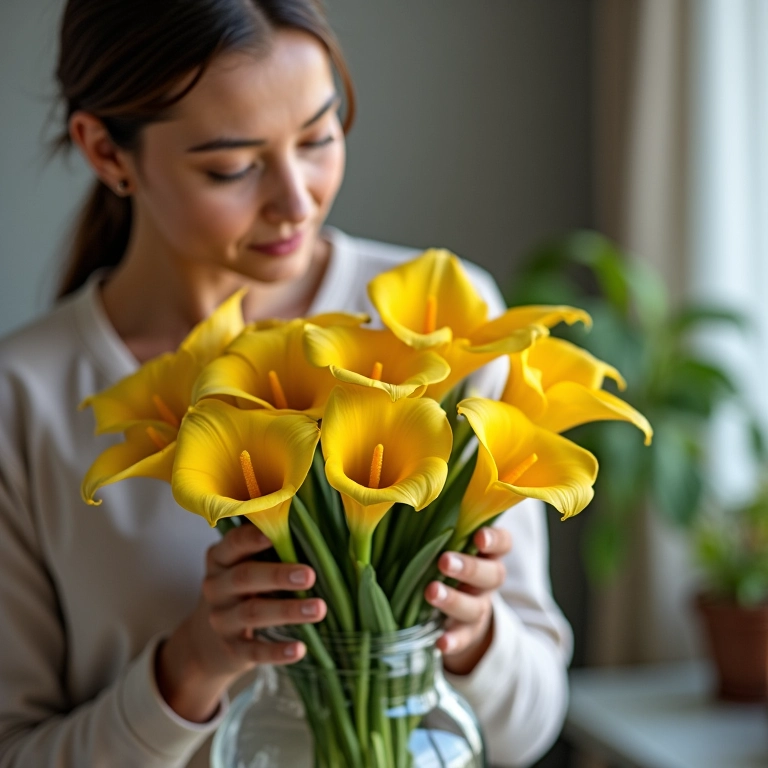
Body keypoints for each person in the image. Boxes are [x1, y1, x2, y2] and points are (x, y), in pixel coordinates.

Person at [0, 2, 572, 766]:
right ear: (106, 152)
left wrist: (470, 636)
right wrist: (190, 668)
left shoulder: (444, 320)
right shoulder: (24, 398)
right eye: (231, 167)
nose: (297, 200)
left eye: (319, 137)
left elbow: (529, 729)